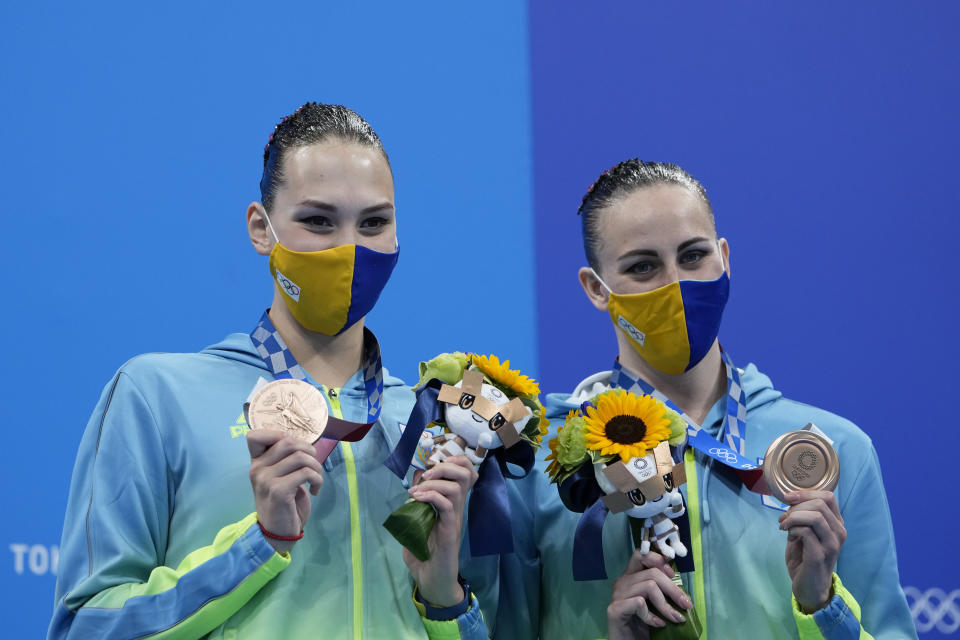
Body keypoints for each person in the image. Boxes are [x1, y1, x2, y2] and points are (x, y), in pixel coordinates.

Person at [48, 103, 489, 639]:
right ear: (262, 229)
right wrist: (259, 542)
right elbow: (84, 627)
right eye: (318, 221)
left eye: (374, 222)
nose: (350, 249)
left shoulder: (431, 423)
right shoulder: (158, 397)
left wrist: (444, 598)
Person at [498, 159, 917, 639]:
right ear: (597, 288)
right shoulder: (539, 462)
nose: (675, 283)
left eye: (693, 256)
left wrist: (822, 606)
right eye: (643, 266)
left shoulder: (835, 451)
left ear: (724, 259)